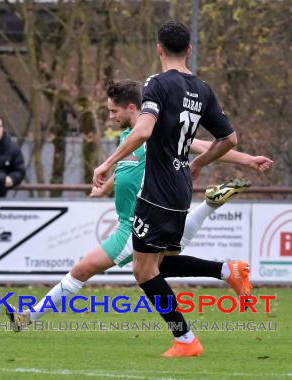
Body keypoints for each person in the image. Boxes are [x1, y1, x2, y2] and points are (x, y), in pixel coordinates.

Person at [7, 79, 273, 340]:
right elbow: (129, 168)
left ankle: (28, 317)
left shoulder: (155, 134)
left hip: (136, 223)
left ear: (132, 108)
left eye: (114, 111)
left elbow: (206, 146)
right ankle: (225, 267)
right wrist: (106, 186)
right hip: (133, 221)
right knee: (158, 267)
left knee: (83, 270)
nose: (110, 117)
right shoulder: (130, 138)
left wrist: (248, 159)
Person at [93, 21, 248, 357]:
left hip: (158, 189)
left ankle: (185, 339)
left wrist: (108, 162)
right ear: (189, 49)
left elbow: (144, 130)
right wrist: (200, 164)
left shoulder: (158, 84)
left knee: (143, 270)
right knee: (157, 263)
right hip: (181, 189)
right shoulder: (203, 89)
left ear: (159, 48)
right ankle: (226, 271)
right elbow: (229, 139)